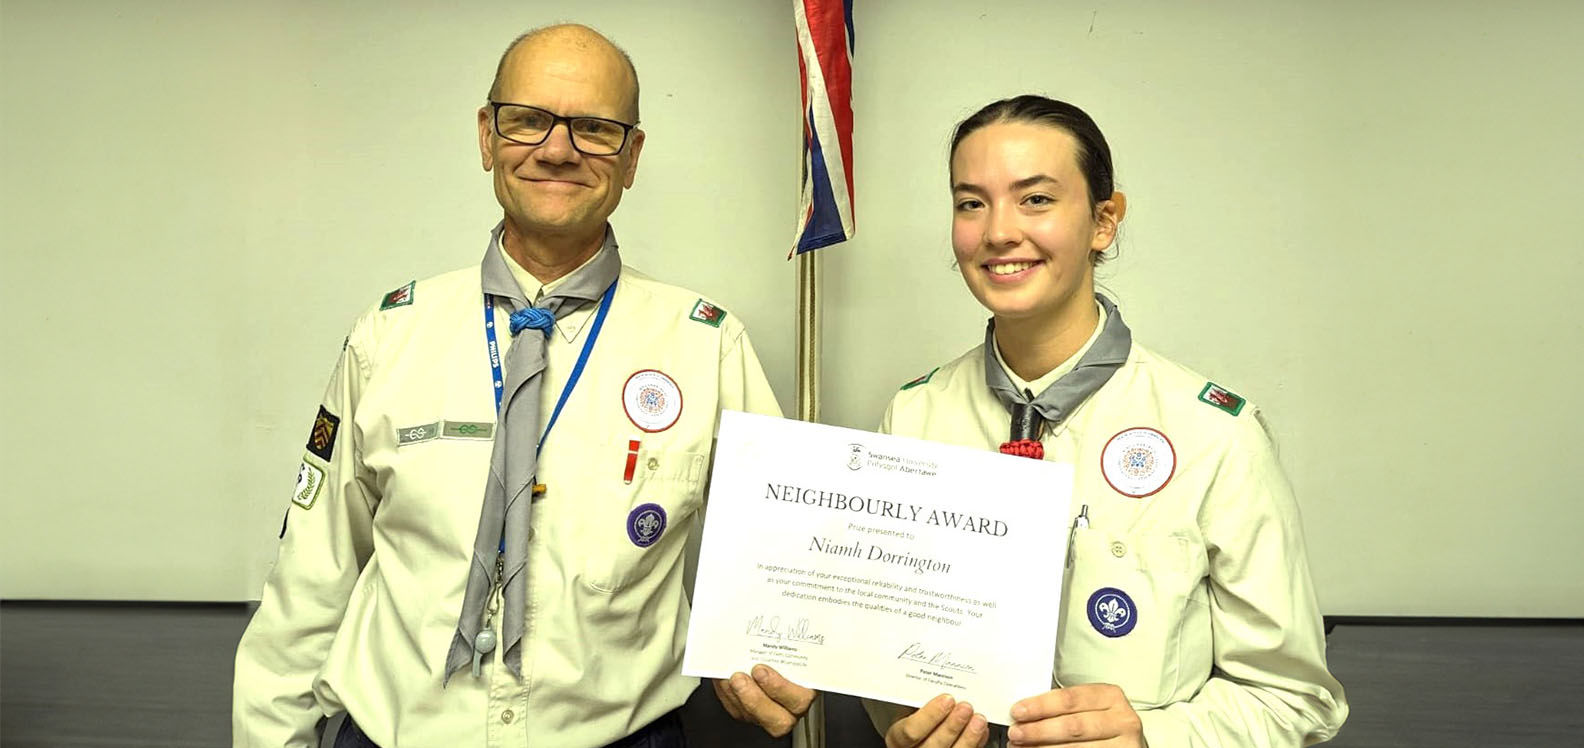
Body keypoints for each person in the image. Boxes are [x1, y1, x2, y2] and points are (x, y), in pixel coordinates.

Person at [233, 24, 807, 747]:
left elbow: (783, 554)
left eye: (595, 129)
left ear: (631, 158)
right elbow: (309, 583)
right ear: (486, 137)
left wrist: (777, 660)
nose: (559, 149)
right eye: (529, 120)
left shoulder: (705, 344)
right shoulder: (390, 335)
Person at [863, 96, 1349, 747]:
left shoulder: (1214, 435)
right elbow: (884, 657)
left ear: (1103, 221)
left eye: (1035, 199)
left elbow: (1298, 699)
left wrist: (1155, 739)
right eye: (971, 202)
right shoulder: (914, 416)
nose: (998, 231)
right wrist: (903, 727)